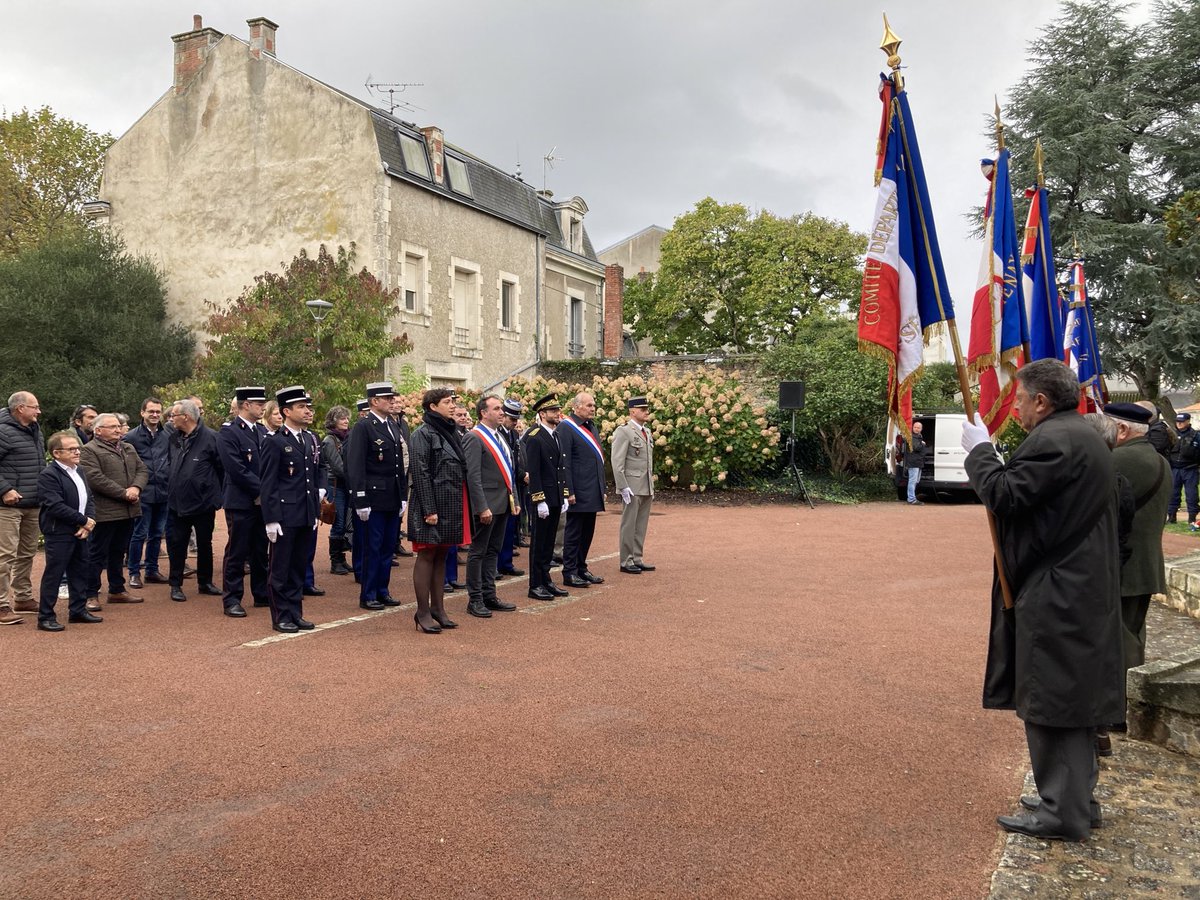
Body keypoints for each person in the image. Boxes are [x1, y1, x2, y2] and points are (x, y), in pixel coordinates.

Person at [961, 358, 1123, 842]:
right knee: (1073, 698)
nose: (1015, 406)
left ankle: (1062, 812)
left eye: (1018, 397)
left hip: (1061, 590)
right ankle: (1073, 798)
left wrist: (982, 453)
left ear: (1041, 401)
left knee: (1055, 700)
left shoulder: (1054, 439)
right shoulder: (1080, 434)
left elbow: (1007, 495)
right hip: (1077, 583)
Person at [1105, 402, 1172, 688]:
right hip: (1144, 563)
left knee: (1118, 638)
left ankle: (1120, 704)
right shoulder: (1158, 459)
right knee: (1132, 632)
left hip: (1122, 563)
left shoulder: (1120, 460)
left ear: (1121, 429)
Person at [260, 385, 326, 634]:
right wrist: (271, 519)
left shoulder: (310, 438)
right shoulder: (275, 441)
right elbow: (268, 483)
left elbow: (316, 472)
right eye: (301, 407)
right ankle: (281, 616)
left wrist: (317, 504)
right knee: (280, 569)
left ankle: (295, 612)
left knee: (299, 566)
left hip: (306, 513)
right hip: (285, 515)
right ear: (286, 411)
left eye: (308, 407)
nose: (307, 411)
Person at [407, 388, 470, 632]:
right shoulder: (422, 434)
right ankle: (422, 612)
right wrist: (428, 509)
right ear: (432, 406)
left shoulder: (451, 431)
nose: (453, 406)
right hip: (431, 504)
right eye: (447, 402)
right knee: (426, 556)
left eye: (453, 402)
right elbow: (420, 472)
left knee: (442, 555)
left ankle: (438, 609)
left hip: (450, 502)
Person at [345, 382, 407, 611]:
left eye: (392, 397)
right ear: (374, 401)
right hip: (373, 498)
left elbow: (399, 464)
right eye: (387, 398)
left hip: (391, 497)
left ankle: (382, 590)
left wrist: (402, 495)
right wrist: (360, 499)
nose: (392, 401)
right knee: (373, 547)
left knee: (387, 547)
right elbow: (356, 464)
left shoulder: (392, 425)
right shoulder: (364, 426)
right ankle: (368, 593)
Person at [79, 413, 148, 609]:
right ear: (98, 430)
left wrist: (136, 488)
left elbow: (142, 470)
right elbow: (94, 478)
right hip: (104, 511)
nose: (118, 430)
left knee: (119, 551)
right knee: (97, 553)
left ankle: (117, 590)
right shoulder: (89, 450)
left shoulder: (128, 447)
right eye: (112, 427)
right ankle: (90, 594)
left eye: (119, 426)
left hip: (128, 510)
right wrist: (123, 493)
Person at [463, 394, 520, 619]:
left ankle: (489, 594)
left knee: (493, 551)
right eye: (496, 409)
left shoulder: (500, 436)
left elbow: (508, 471)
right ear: (483, 413)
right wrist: (481, 507)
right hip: (486, 506)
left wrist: (513, 499)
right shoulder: (474, 437)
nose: (501, 412)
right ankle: (475, 599)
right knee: (478, 552)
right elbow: (473, 476)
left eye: (501, 409)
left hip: (503, 504)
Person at [216, 387, 271, 618]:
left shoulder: (261, 431)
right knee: (237, 551)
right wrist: (262, 490)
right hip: (241, 500)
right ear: (245, 405)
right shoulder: (229, 432)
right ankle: (232, 598)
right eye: (259, 404)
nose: (263, 408)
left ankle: (261, 593)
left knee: (260, 549)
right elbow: (236, 469)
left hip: (262, 501)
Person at [35, 431, 99, 631]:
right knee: (54, 574)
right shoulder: (49, 475)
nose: (77, 452)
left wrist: (88, 522)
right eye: (72, 449)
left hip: (81, 530)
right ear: (56, 453)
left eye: (78, 448)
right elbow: (55, 506)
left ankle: (78, 611)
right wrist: (84, 521)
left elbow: (89, 498)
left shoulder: (79, 470)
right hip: (59, 532)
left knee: (80, 571)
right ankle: (45, 616)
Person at [165, 400, 224, 602]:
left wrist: (215, 496)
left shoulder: (212, 438)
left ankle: (205, 582)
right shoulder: (173, 438)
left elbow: (221, 469)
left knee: (204, 544)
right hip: (176, 502)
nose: (171, 418)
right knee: (176, 543)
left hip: (203, 502)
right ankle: (175, 584)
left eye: (174, 415)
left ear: (186, 417)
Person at [0, 391, 47, 625]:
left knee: (26, 553)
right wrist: (4, 489)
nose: (38, 411)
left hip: (33, 503)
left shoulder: (35, 431)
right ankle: (0, 604)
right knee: (5, 555)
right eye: (34, 407)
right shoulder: (2, 430)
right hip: (7, 505)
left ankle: (23, 598)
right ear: (20, 408)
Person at [521, 393, 570, 600]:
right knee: (539, 543)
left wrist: (564, 494)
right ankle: (536, 584)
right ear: (542, 413)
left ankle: (546, 580)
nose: (558, 414)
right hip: (543, 499)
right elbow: (535, 471)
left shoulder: (555, 434)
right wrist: (539, 499)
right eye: (553, 411)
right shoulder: (534, 436)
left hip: (556, 496)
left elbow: (560, 468)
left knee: (549, 542)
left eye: (558, 410)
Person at [123, 397, 170, 589]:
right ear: (142, 413)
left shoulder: (167, 434)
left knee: (157, 533)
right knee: (139, 533)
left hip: (164, 491)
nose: (155, 415)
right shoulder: (131, 437)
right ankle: (134, 572)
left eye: (158, 412)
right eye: (151, 411)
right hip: (143, 492)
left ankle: (152, 569)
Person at [611, 397, 657, 575]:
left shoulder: (646, 431)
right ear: (632, 411)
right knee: (629, 524)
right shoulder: (624, 431)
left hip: (645, 484)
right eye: (642, 408)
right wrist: (622, 486)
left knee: (641, 524)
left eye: (647, 408)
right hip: (631, 485)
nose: (646, 411)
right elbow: (617, 461)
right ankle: (626, 560)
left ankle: (637, 557)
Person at [321, 405, 353, 576]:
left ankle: (341, 558)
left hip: (346, 485)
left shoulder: (347, 438)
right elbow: (338, 467)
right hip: (335, 485)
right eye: (342, 418)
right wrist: (354, 476)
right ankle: (336, 561)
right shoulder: (330, 440)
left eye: (347, 418)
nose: (346, 421)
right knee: (338, 522)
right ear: (333, 421)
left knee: (345, 522)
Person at [496, 397, 525, 577]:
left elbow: (516, 459)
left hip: (513, 483)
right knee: (499, 528)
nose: (514, 422)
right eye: (511, 419)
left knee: (510, 525)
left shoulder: (513, 434)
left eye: (516, 419)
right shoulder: (497, 432)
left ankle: (506, 563)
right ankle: (496, 565)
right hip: (500, 485)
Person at [1167, 412, 1199, 525]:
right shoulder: (1171, 434)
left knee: (1191, 494)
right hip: (1175, 468)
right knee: (1173, 493)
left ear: (1188, 421)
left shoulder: (1196, 435)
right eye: (1177, 421)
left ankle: (1192, 518)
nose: (1179, 423)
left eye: (1182, 421)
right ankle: (1171, 517)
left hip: (1190, 468)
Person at [903, 420, 928, 505]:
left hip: (918, 462)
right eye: (915, 427)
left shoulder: (918, 436)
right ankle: (911, 499)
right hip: (913, 462)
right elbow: (916, 447)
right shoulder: (912, 437)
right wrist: (922, 444)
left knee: (915, 481)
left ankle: (912, 497)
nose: (916, 429)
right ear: (912, 427)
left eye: (918, 428)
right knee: (912, 481)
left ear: (921, 429)